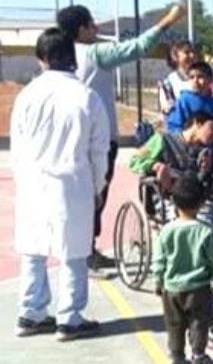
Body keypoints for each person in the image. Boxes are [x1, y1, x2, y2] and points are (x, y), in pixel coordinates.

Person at [57, 2, 185, 271]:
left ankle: (79, 249)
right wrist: (168, 20)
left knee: (79, 196)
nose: (96, 29)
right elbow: (136, 48)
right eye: (92, 24)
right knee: (97, 193)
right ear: (81, 28)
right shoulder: (95, 53)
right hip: (99, 139)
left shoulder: (63, 55)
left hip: (70, 136)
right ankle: (86, 252)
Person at [11, 28, 110, 340]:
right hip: (72, 183)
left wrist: (23, 180)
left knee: (33, 248)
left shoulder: (27, 96)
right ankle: (69, 318)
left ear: (42, 59)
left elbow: (19, 146)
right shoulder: (86, 97)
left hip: (33, 182)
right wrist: (97, 186)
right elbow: (99, 150)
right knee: (73, 252)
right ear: (71, 56)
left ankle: (31, 312)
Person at [152, 174, 213, 364]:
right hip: (199, 287)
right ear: (202, 203)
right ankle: (198, 354)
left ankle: (177, 356)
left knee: (174, 324)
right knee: (199, 322)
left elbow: (159, 260)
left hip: (172, 288)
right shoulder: (205, 231)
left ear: (173, 202)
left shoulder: (166, 231)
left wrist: (158, 281)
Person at [167, 61, 213, 154]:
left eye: (200, 77)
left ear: (210, 80)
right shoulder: (184, 100)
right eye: (192, 77)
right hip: (189, 151)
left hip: (211, 152)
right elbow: (174, 126)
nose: (195, 81)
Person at [159, 40, 196, 118]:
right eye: (187, 52)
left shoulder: (206, 77)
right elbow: (167, 110)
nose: (192, 55)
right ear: (175, 57)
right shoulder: (168, 83)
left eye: (193, 52)